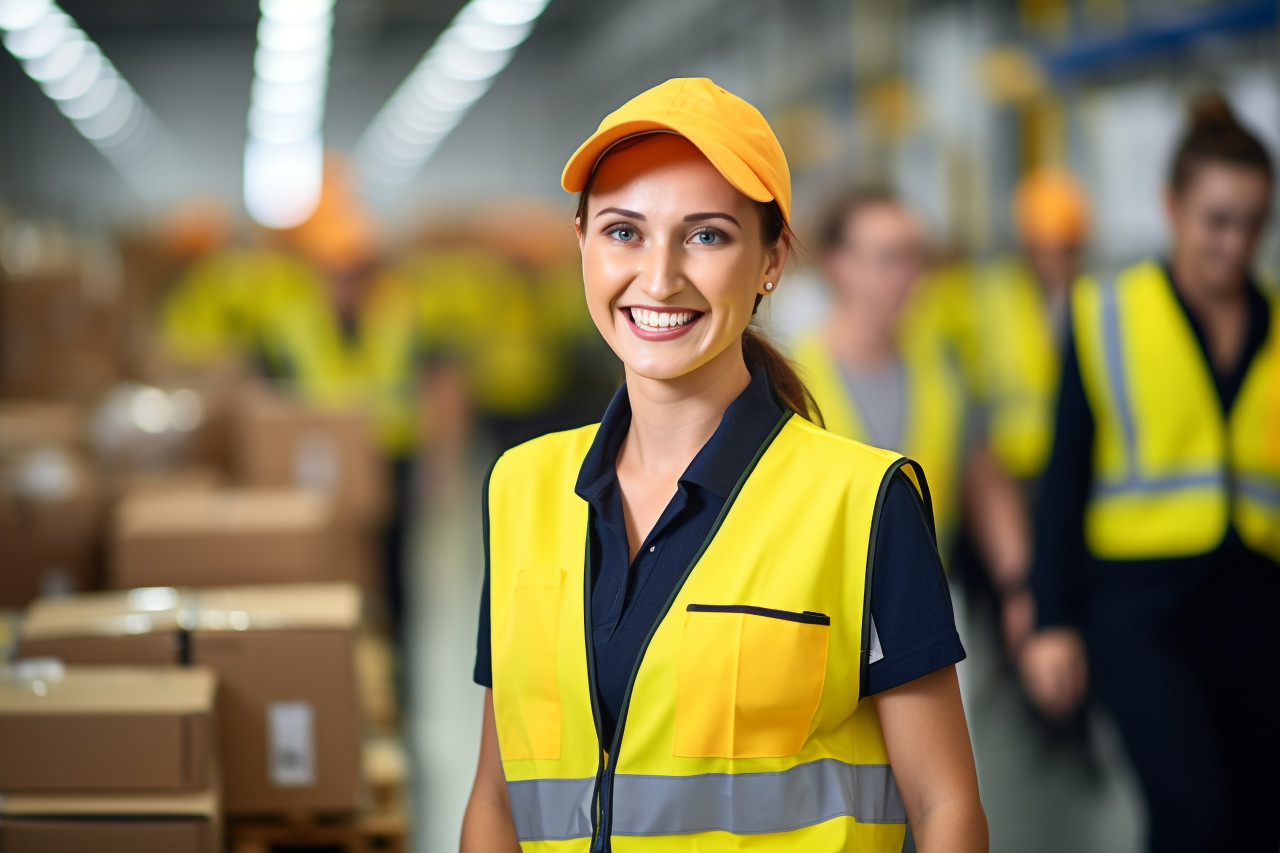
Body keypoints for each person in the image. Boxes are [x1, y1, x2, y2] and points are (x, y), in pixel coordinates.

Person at [462, 78, 986, 852]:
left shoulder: (861, 504)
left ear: (772, 260)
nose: (660, 277)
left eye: (705, 235)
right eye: (623, 231)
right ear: (582, 243)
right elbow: (497, 801)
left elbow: (945, 806)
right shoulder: (521, 489)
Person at [1021, 94, 1280, 852]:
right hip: (1137, 608)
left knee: (1263, 822)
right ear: (1172, 207)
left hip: (1260, 604)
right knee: (1193, 817)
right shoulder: (1107, 312)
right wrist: (1049, 620)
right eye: (1216, 220)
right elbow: (1062, 478)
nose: (1234, 244)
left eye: (1253, 223)